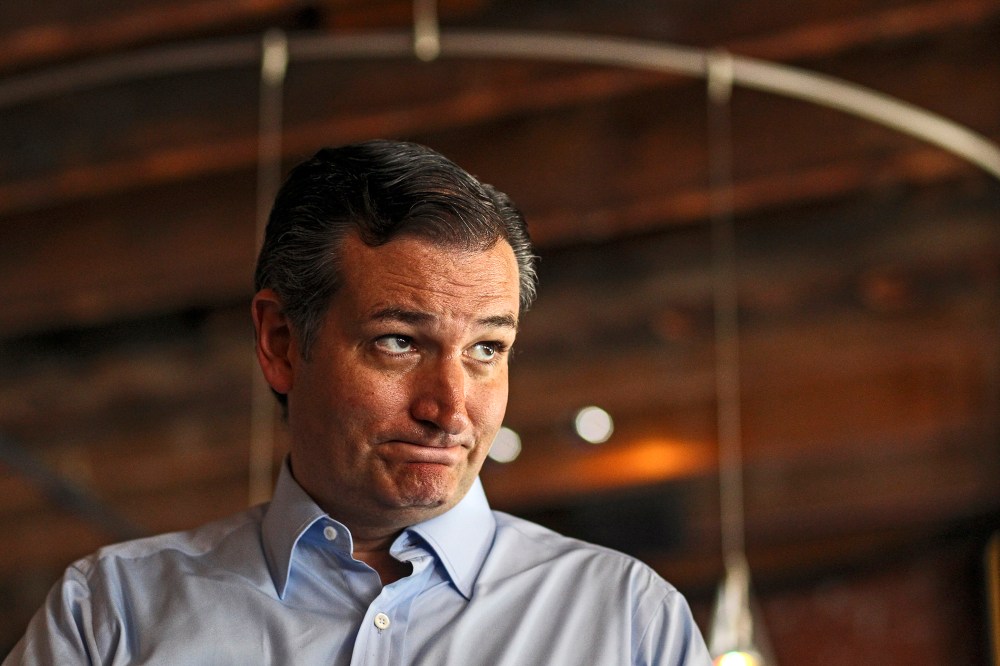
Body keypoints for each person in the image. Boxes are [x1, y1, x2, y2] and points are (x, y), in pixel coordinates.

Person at [6, 140, 711, 665]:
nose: (451, 407)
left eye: (487, 349)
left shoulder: (626, 622)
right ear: (282, 341)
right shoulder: (110, 618)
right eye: (400, 342)